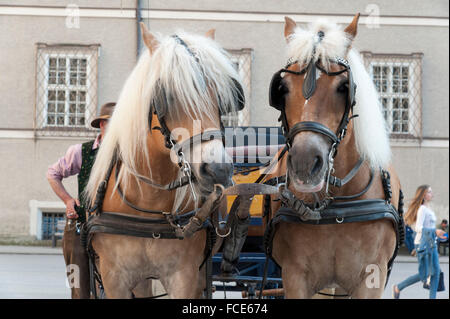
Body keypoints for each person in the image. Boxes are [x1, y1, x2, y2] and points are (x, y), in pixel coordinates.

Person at [47, 102, 115, 299]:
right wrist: (68, 200)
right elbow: (52, 173)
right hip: (84, 221)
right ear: (102, 125)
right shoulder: (81, 151)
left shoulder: (129, 152)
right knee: (75, 267)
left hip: (118, 223)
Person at [392, 185, 446, 299]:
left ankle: (400, 287)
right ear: (423, 195)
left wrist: (438, 234)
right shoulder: (422, 209)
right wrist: (435, 231)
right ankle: (398, 287)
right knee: (425, 275)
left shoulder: (428, 209)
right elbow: (417, 228)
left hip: (431, 243)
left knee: (435, 273)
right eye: (429, 192)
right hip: (423, 244)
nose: (432, 194)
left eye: (431, 191)